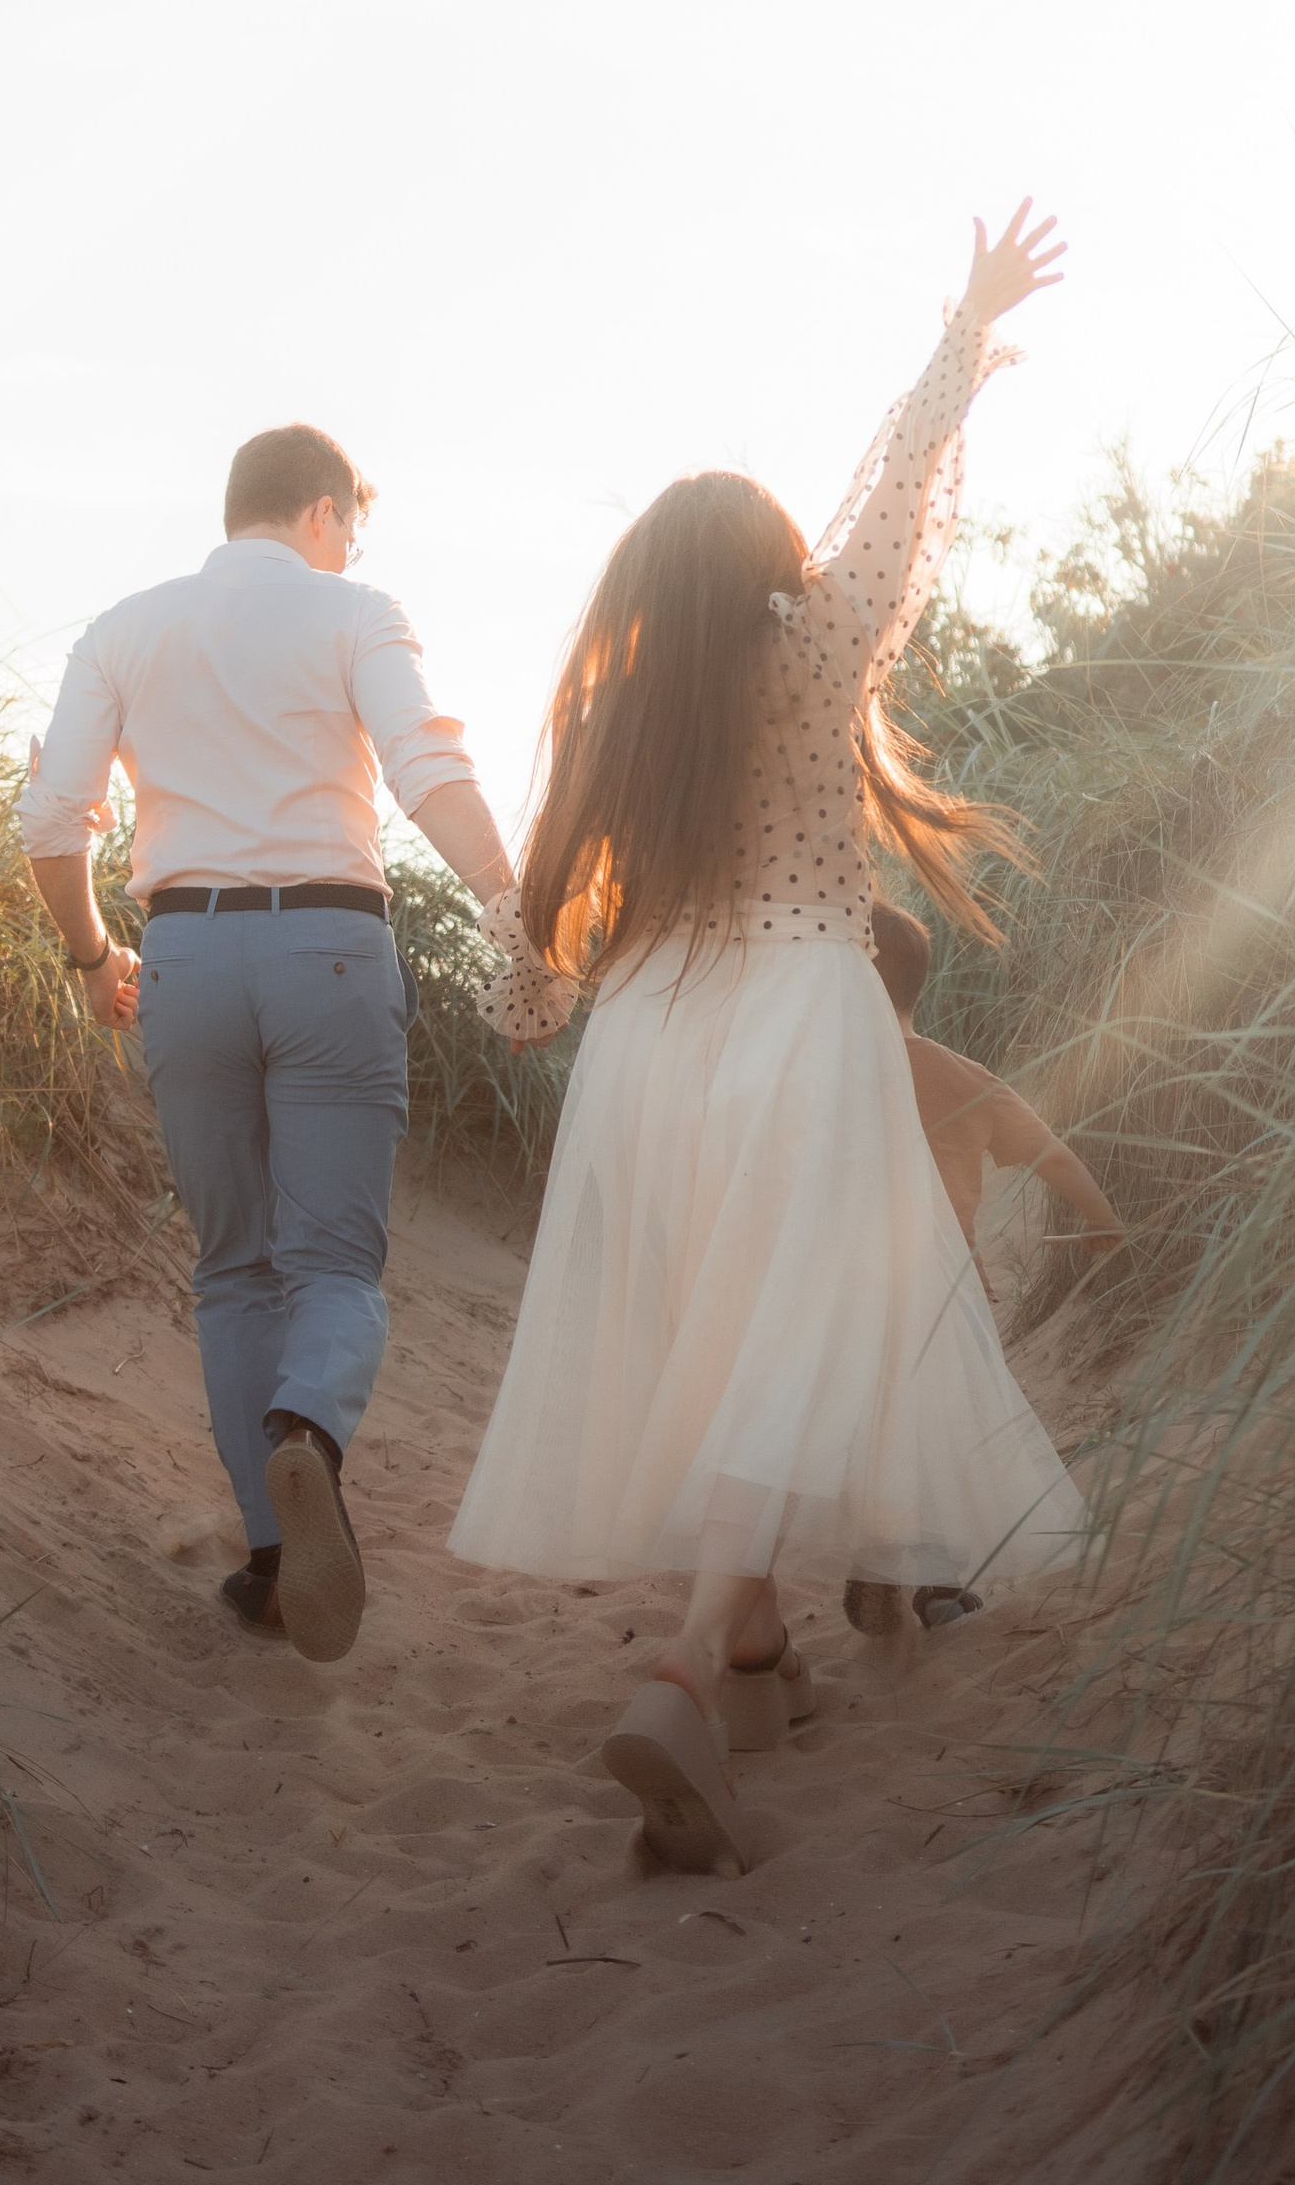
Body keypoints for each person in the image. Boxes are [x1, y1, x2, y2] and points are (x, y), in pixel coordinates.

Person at [447, 208, 1085, 1876]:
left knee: (716, 1342)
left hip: (647, 1044)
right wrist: (963, 339)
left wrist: (529, 1016)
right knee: (797, 1344)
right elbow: (892, 516)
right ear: (772, 576)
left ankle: (746, 1661)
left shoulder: (612, 719)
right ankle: (683, 1665)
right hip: (802, 1014)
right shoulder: (812, 663)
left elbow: (536, 941)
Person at [17, 421, 523, 1666]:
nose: (352, 541)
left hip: (182, 955)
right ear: (322, 512)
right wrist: (513, 917)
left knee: (232, 1265)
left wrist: (93, 958)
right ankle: (310, 1432)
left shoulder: (123, 628)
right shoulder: (353, 611)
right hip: (333, 952)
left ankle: (265, 1550)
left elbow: (51, 819)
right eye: (352, 519)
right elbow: (423, 767)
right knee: (335, 1263)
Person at [846, 898, 1125, 1639]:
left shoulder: (834, 1079)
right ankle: (934, 1585)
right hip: (943, 1288)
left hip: (845, 1280)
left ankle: (874, 1557)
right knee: (941, 1429)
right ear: (916, 984)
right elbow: (1054, 1156)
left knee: (866, 1425)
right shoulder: (962, 1075)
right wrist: (1103, 1222)